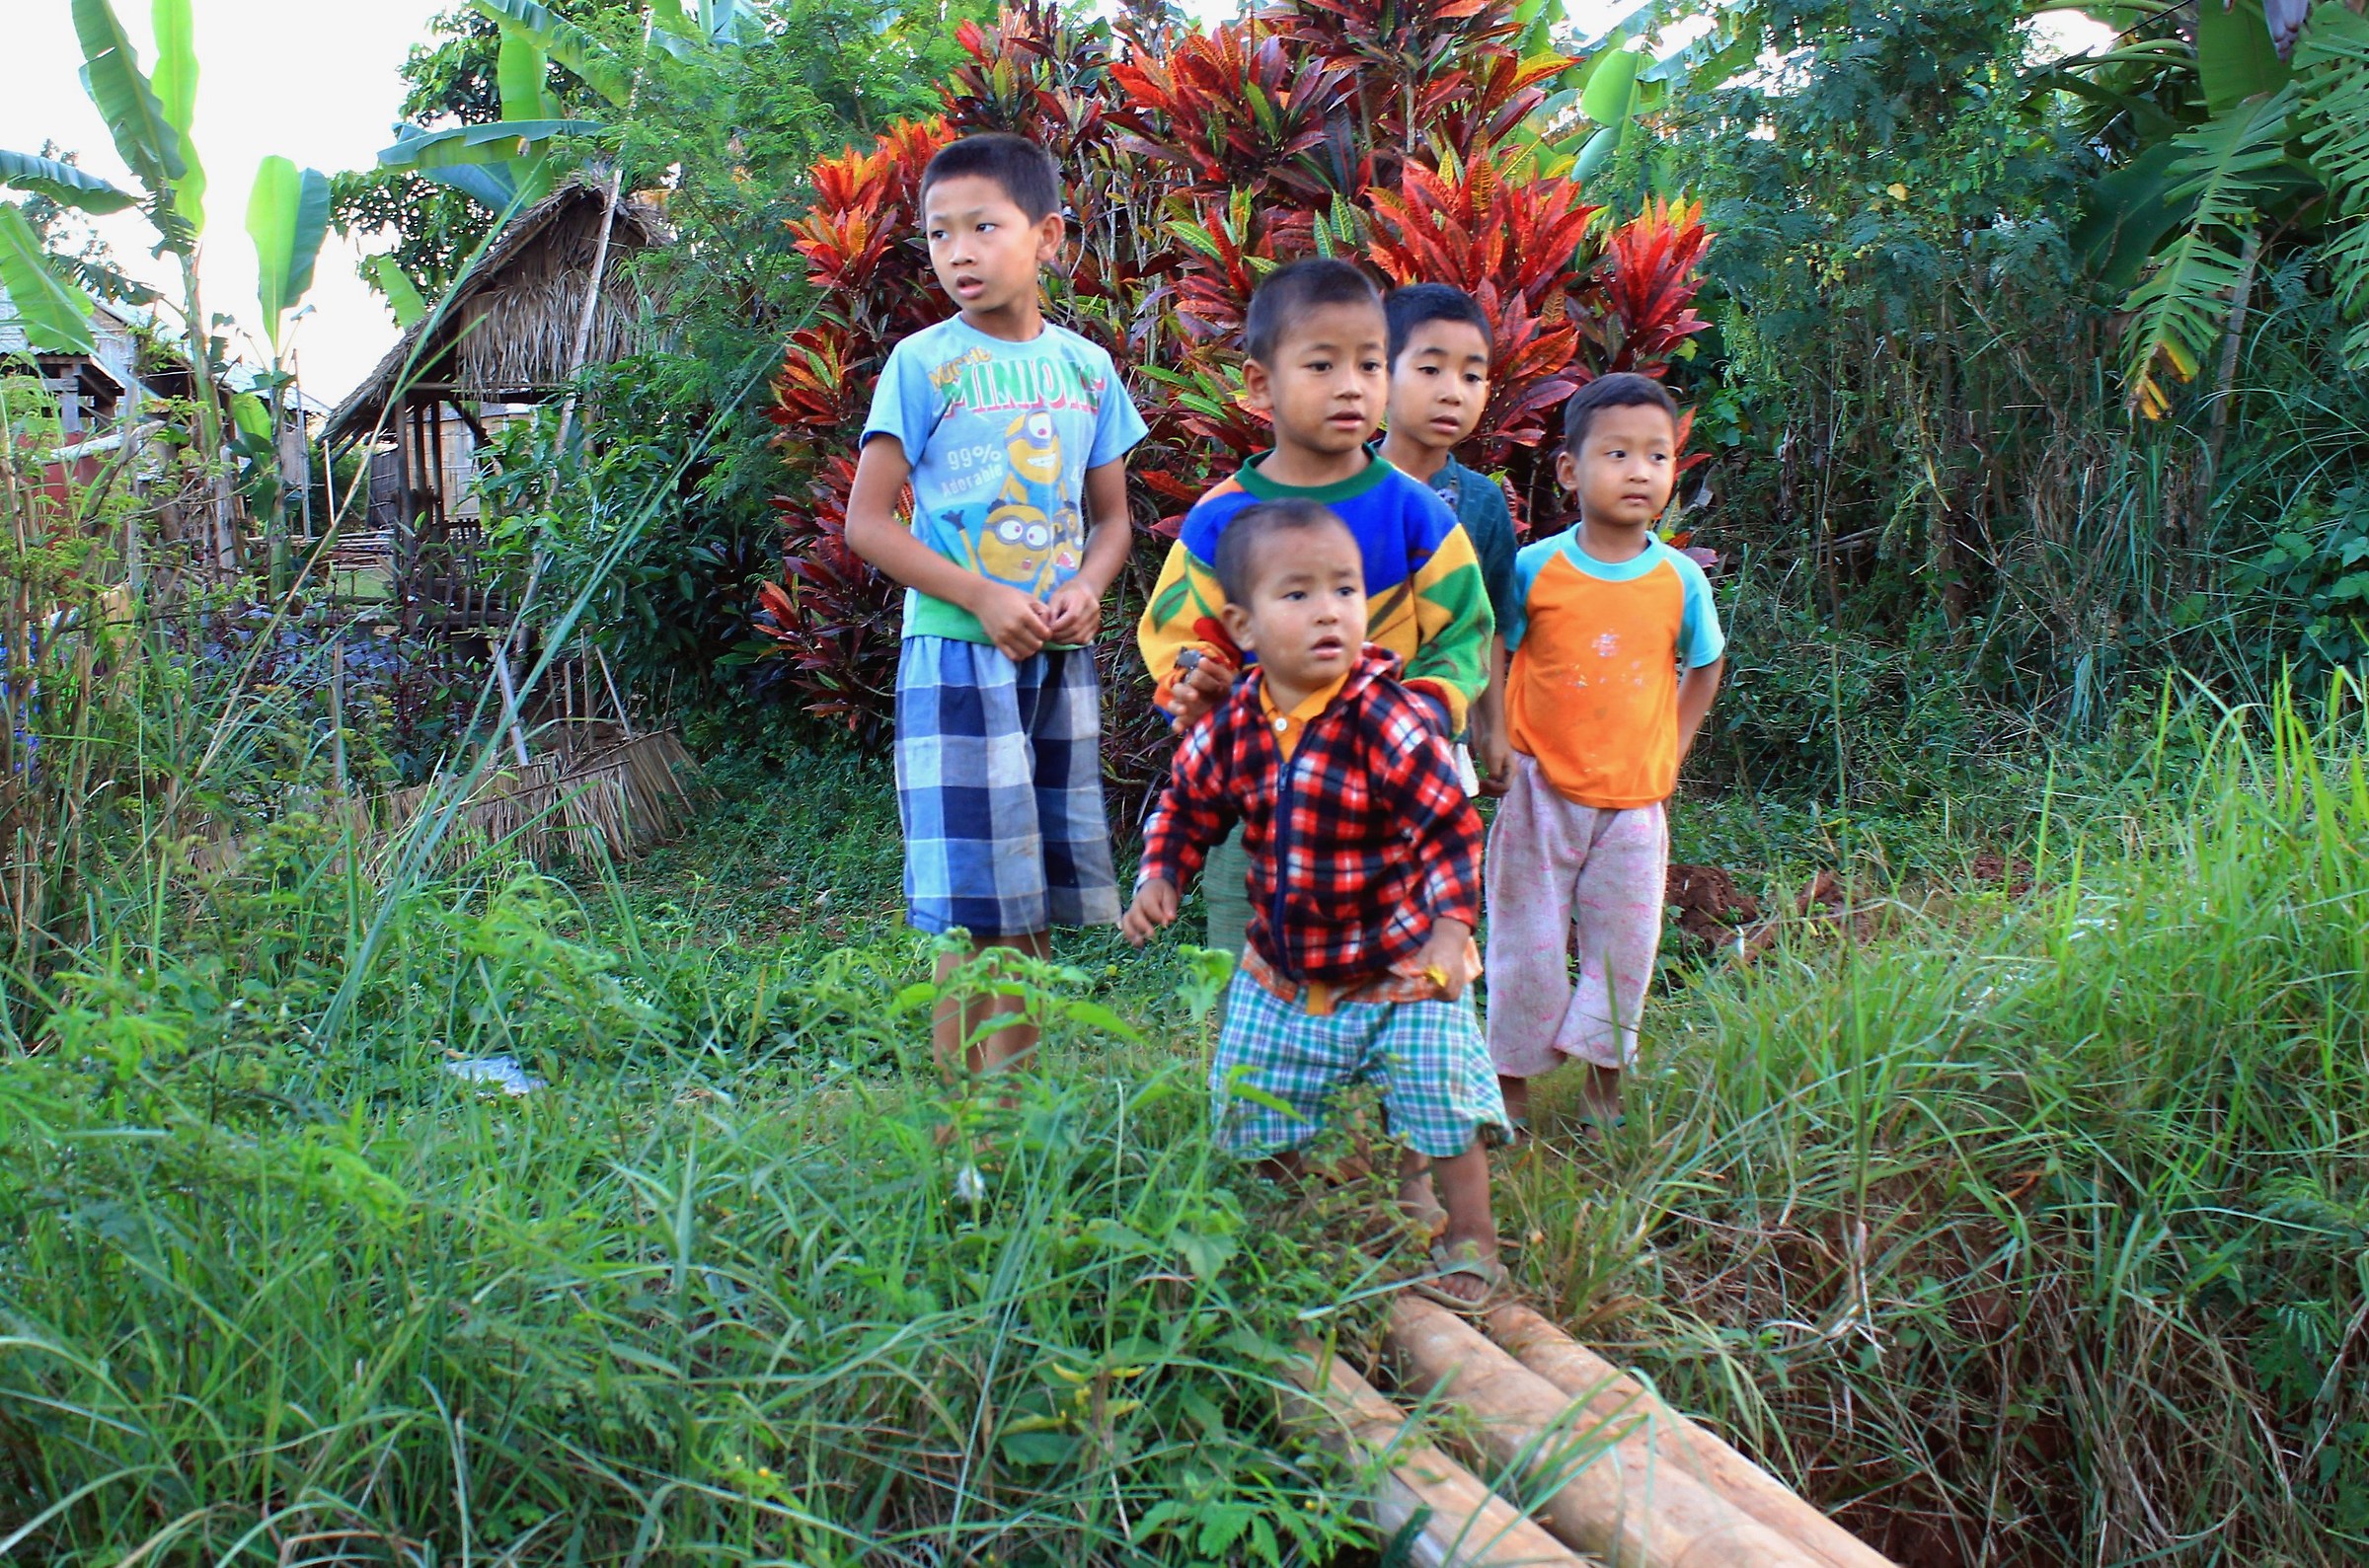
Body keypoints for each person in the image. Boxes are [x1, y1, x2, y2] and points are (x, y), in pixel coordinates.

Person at [1122, 500, 1509, 1309]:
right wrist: (1162, 874)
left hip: (1405, 961)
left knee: (1443, 1106)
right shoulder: (1232, 724)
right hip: (1289, 967)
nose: (1329, 609)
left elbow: (1446, 825)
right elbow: (1189, 804)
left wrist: (1450, 930)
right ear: (1245, 624)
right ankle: (1280, 1237)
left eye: (1345, 590)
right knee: (1261, 1106)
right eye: (1297, 594)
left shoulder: (1387, 715)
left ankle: (1471, 1238)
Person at [844, 131, 1148, 1079]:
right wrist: (980, 595)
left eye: (983, 227)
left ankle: (1017, 1116)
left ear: (1048, 235)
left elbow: (1112, 523)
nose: (959, 253)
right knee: (974, 908)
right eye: (939, 236)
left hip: (1058, 659)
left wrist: (1089, 590)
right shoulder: (923, 364)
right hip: (957, 660)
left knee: (1033, 899)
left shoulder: (1087, 371)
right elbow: (867, 522)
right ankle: (963, 1137)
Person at [1137, 258, 1494, 963]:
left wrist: (1422, 710)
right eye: (1322, 365)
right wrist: (1195, 683)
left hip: (1392, 802)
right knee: (1250, 989)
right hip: (1258, 802)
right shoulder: (1222, 519)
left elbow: (1466, 630)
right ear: (1261, 385)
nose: (1351, 387)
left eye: (1369, 365)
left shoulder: (1414, 512)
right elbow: (1179, 632)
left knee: (1400, 996)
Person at [1474, 373, 1726, 1135]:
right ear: (1570, 470)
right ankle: (1510, 1092)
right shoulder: (1535, 568)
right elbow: (1495, 646)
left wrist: (1672, 750)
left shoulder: (1679, 579)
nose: (1640, 471)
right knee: (1525, 942)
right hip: (1539, 791)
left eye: (1657, 456)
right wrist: (1494, 737)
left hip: (1634, 803)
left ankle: (1603, 1093)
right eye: (1617, 453)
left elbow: (1706, 663)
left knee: (1626, 947)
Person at [1376, 282, 1519, 794]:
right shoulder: (1337, 486)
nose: (1453, 391)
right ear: (1381, 373)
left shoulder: (1481, 503)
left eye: (1472, 375)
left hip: (1436, 739)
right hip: (1337, 730)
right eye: (1430, 369)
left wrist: (1492, 729)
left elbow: (1492, 621)